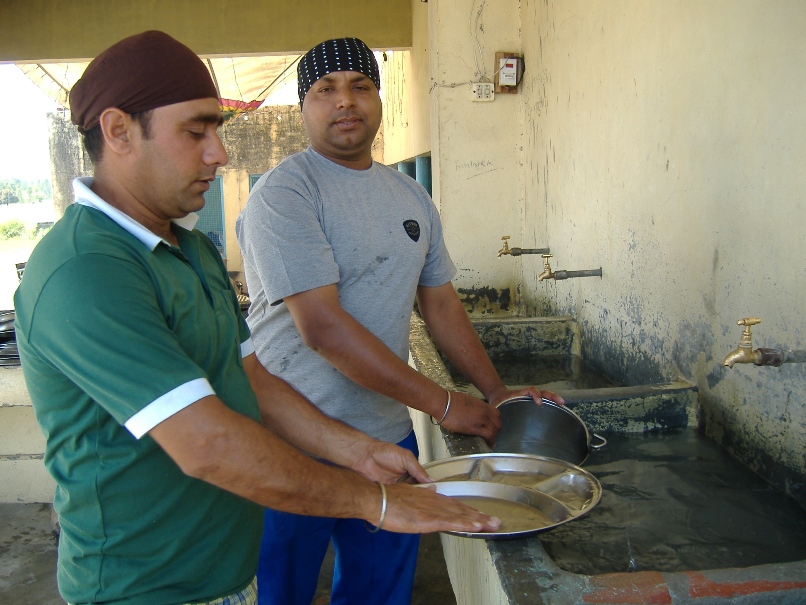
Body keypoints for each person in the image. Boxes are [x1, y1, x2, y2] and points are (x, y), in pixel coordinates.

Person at [13, 31, 503, 605]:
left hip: (227, 574)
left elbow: (252, 380)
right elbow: (207, 444)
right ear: (119, 131)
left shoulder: (190, 249)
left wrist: (358, 452)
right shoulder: (87, 270)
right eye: (196, 132)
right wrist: (374, 499)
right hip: (147, 589)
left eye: (216, 130)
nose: (219, 153)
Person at [236, 37, 564, 605]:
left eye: (360, 86)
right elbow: (322, 328)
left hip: (385, 439)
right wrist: (443, 403)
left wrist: (495, 391)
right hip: (291, 440)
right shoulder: (283, 194)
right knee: (280, 591)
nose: (345, 101)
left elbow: (440, 304)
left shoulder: (411, 196)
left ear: (379, 100)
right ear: (304, 107)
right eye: (325, 90)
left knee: (378, 592)